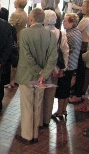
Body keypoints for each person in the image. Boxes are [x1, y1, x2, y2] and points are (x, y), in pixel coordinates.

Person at [15, 8, 57, 144]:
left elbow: (26, 56)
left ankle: (27, 136)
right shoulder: (50, 35)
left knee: (27, 105)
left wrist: (38, 71)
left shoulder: (24, 33)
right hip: (42, 78)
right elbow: (53, 56)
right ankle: (35, 134)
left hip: (27, 75)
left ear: (31, 19)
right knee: (37, 104)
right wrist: (44, 74)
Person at [40, 10, 69, 128]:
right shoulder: (61, 33)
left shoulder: (40, 32)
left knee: (39, 94)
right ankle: (46, 119)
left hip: (41, 69)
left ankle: (39, 119)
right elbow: (66, 51)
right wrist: (63, 68)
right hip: (55, 69)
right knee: (50, 95)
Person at [53, 13, 82, 118]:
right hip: (73, 64)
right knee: (66, 89)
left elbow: (65, 51)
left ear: (72, 23)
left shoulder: (68, 35)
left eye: (65, 21)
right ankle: (63, 109)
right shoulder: (77, 32)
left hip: (67, 65)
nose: (63, 23)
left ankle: (60, 110)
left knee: (62, 89)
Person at [69, 0, 89, 104]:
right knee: (83, 72)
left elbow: (76, 30)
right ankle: (79, 92)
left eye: (84, 6)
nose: (82, 7)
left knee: (81, 72)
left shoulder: (86, 20)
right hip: (87, 47)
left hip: (83, 47)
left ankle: (78, 95)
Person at [8, 0, 28, 87]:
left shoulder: (15, 14)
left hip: (15, 38)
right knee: (19, 59)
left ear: (17, 3)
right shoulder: (25, 13)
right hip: (23, 37)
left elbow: (10, 27)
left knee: (14, 60)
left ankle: (12, 80)